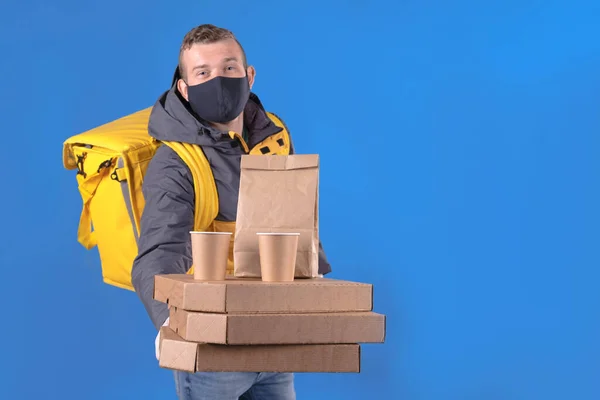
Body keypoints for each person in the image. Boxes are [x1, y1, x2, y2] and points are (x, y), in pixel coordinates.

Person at [131, 24, 332, 400]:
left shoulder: (272, 139)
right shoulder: (175, 162)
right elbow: (158, 253)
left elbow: (293, 221)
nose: (218, 80)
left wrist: (313, 281)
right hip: (213, 348)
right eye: (203, 73)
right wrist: (170, 326)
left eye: (228, 68)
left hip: (272, 334)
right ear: (184, 89)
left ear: (249, 75)